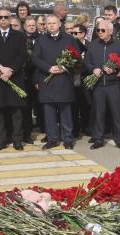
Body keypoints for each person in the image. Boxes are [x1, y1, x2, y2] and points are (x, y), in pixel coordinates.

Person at [0, 8, 28, 151]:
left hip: (14, 78)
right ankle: (1, 140)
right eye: (0, 17)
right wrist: (0, 68)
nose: (3, 19)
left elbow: (22, 56)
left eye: (6, 17)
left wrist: (11, 71)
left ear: (10, 19)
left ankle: (17, 140)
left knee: (16, 112)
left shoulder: (19, 36)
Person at [32, 15, 77, 150]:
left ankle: (67, 139)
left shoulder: (69, 39)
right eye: (48, 23)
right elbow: (35, 58)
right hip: (47, 80)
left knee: (65, 112)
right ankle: (52, 139)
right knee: (49, 112)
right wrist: (48, 68)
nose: (51, 25)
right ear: (45, 25)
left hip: (63, 80)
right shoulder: (40, 40)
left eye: (54, 23)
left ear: (59, 25)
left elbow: (76, 57)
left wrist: (64, 67)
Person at [85, 19, 120, 150]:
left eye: (102, 30)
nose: (99, 32)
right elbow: (87, 62)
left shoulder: (119, 45)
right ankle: (98, 139)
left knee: (116, 113)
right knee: (99, 113)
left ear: (110, 31)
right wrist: (93, 69)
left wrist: (115, 69)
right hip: (98, 85)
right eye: (98, 30)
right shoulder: (92, 45)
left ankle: (119, 139)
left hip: (113, 84)